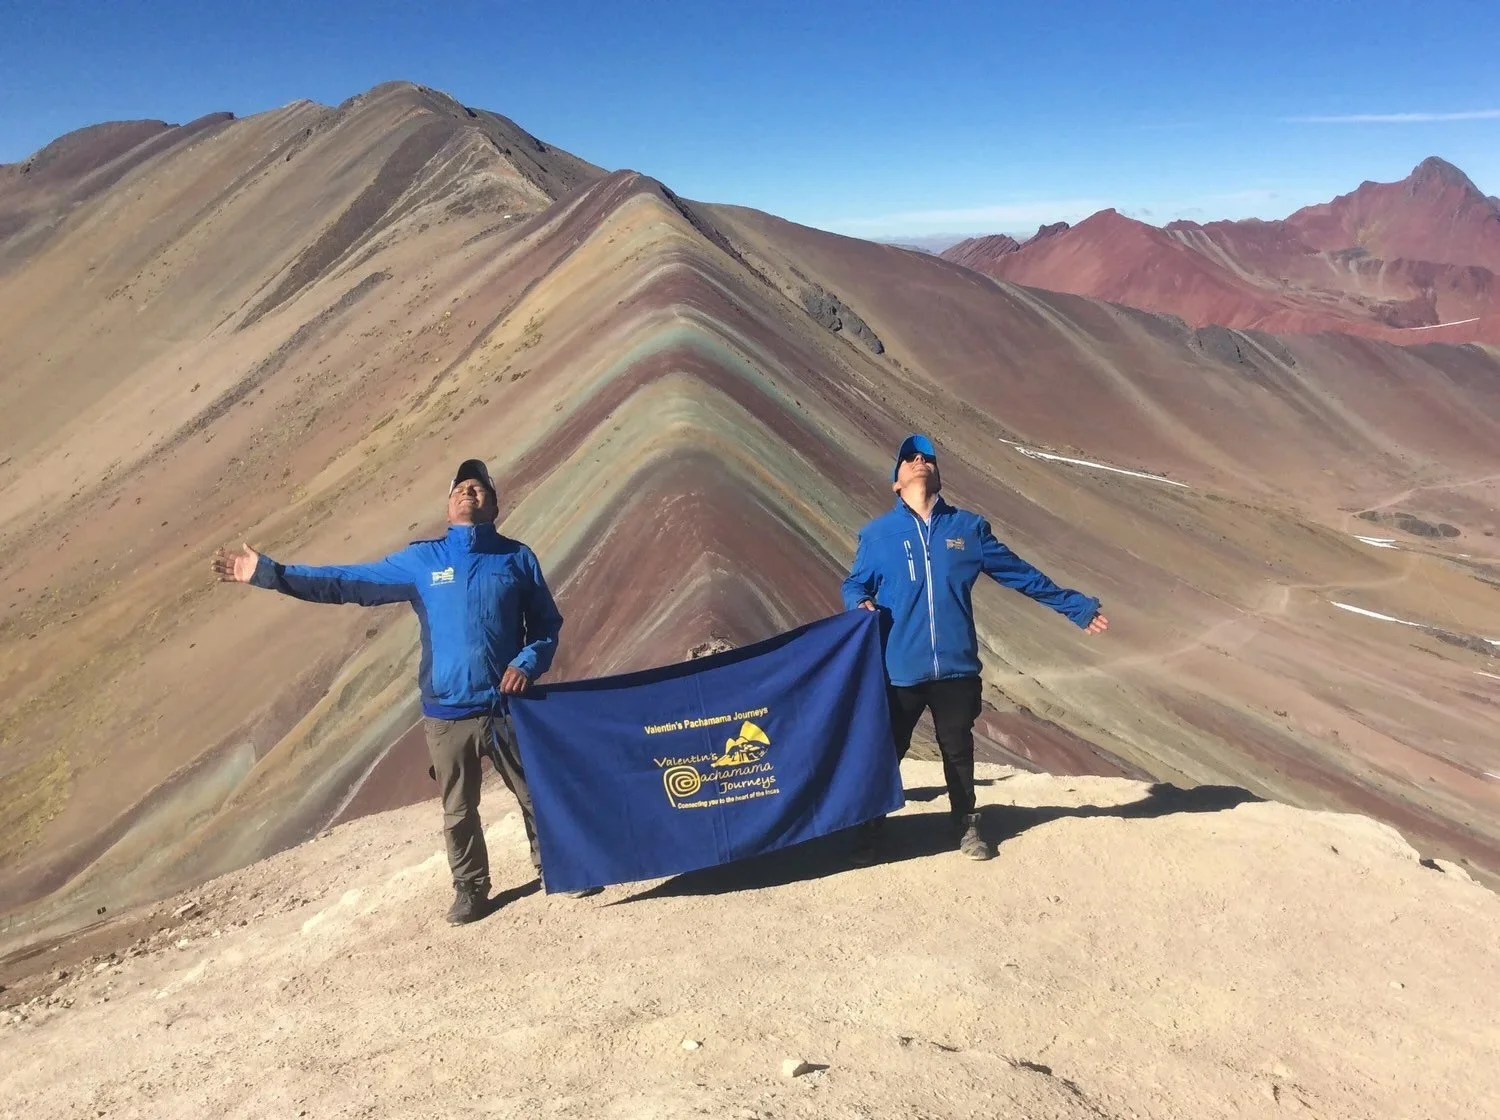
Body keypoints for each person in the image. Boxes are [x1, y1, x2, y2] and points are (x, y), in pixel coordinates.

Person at [212, 459, 567, 924]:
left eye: (479, 489)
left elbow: (545, 626)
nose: (468, 493)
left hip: (508, 706)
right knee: (458, 811)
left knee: (536, 792)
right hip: (448, 712)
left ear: (495, 505)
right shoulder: (423, 561)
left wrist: (526, 663)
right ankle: (471, 890)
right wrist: (269, 573)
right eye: (460, 488)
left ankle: (559, 867)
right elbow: (346, 582)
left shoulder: (517, 559)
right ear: (447, 506)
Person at [841, 434, 1109, 862]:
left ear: (939, 476)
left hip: (956, 667)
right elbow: (855, 581)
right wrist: (858, 601)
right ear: (896, 482)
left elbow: (1022, 575)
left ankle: (966, 825)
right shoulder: (878, 535)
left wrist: (1075, 606)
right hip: (898, 667)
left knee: (957, 746)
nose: (918, 461)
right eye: (909, 459)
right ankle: (871, 825)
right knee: (888, 747)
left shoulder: (968, 529)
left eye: (927, 457)